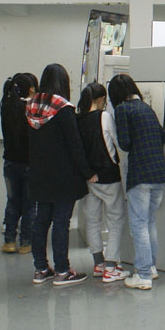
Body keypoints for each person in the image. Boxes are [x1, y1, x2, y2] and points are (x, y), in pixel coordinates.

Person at [25, 63, 97, 286]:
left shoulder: (30, 107)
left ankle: (40, 269)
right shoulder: (64, 109)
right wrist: (87, 172)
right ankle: (62, 271)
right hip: (63, 175)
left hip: (39, 174)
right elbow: (75, 144)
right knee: (60, 222)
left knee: (41, 221)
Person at [109, 73, 165, 290]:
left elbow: (125, 143)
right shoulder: (146, 108)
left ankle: (143, 275)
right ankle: (151, 268)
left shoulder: (122, 109)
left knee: (139, 224)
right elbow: (163, 137)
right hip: (159, 173)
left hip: (140, 174)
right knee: (150, 221)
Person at [76, 82, 129, 283]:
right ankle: (111, 266)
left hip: (88, 178)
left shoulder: (78, 119)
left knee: (93, 221)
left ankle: (98, 263)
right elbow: (118, 143)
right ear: (101, 99)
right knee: (115, 220)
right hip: (108, 176)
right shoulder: (104, 117)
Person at [0, 73, 38, 254]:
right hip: (30, 163)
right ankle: (26, 242)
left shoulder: (7, 107)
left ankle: (9, 241)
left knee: (12, 202)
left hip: (10, 162)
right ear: (31, 89)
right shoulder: (33, 109)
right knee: (29, 204)